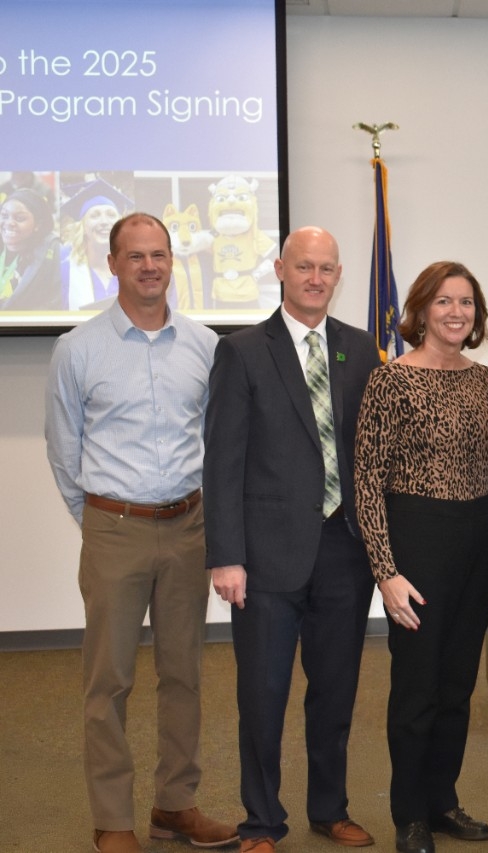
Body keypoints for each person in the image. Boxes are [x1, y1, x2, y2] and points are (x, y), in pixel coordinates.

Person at [44, 212, 237, 853]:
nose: (149, 266)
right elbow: (63, 448)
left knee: (184, 674)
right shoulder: (78, 348)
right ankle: (112, 818)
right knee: (110, 681)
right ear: (113, 264)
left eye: (159, 254)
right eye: (135, 256)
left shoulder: (206, 345)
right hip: (114, 529)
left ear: (172, 260)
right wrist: (98, 522)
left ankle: (175, 805)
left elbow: (215, 440)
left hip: (189, 528)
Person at [204, 226, 382, 853]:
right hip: (267, 555)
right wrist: (225, 555)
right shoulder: (244, 350)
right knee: (263, 695)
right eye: (303, 266)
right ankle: (261, 821)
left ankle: (330, 808)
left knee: (335, 691)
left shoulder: (360, 350)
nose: (315, 278)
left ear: (338, 275)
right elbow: (222, 460)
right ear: (280, 269)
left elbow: (371, 453)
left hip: (345, 550)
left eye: (326, 269)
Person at [353, 261, 488, 853]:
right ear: (421, 310)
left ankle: (443, 801)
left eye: (466, 302)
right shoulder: (389, 381)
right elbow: (367, 483)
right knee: (417, 685)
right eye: (444, 301)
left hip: (480, 539)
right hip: (417, 541)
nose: (456, 313)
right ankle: (409, 813)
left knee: (458, 684)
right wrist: (385, 573)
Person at [60, 180, 129, 310]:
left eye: (111, 215)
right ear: (83, 226)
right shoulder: (64, 268)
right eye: (94, 215)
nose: (104, 222)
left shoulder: (135, 268)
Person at [0, 188, 61, 310]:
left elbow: (56, 304)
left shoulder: (53, 252)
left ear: (38, 224)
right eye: (4, 215)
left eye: (19, 218)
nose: (9, 223)